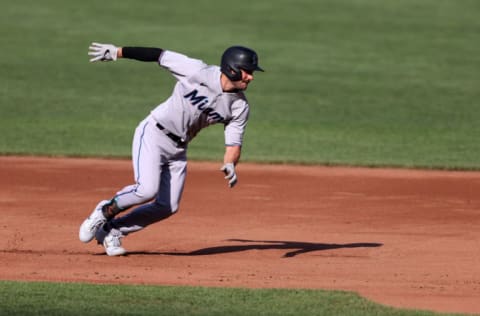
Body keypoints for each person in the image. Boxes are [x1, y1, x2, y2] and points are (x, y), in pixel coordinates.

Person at [78, 42, 264, 256]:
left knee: (167, 207)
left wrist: (231, 162)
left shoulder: (240, 107)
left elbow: (233, 143)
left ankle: (113, 231)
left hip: (178, 150)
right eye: (247, 72)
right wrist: (118, 52)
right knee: (146, 190)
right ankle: (105, 210)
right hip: (154, 133)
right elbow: (159, 55)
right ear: (232, 68)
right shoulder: (197, 70)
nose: (251, 77)